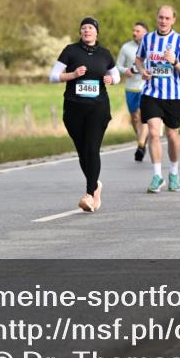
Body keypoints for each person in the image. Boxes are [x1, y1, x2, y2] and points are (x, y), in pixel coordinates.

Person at [49, 16, 119, 212]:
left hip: (98, 108)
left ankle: (89, 195)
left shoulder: (105, 54)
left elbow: (116, 75)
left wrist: (110, 80)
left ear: (97, 32)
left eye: (90, 28)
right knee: (82, 151)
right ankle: (95, 185)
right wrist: (72, 75)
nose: (87, 30)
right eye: (83, 28)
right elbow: (53, 76)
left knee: (92, 149)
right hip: (74, 107)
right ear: (80, 32)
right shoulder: (70, 51)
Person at [138, 5, 180, 193]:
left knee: (172, 135)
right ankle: (157, 175)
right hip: (151, 94)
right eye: (161, 17)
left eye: (167, 18)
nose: (163, 21)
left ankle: (174, 173)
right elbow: (139, 59)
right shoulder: (148, 38)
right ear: (157, 18)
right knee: (153, 133)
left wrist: (174, 62)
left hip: (174, 96)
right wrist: (142, 71)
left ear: (173, 20)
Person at [116, 22, 149, 162]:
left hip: (146, 87)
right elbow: (118, 65)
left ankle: (141, 146)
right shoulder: (126, 47)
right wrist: (126, 70)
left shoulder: (151, 46)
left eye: (138, 31)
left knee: (143, 116)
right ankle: (141, 140)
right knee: (135, 118)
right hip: (131, 88)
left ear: (145, 32)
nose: (134, 33)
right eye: (134, 30)